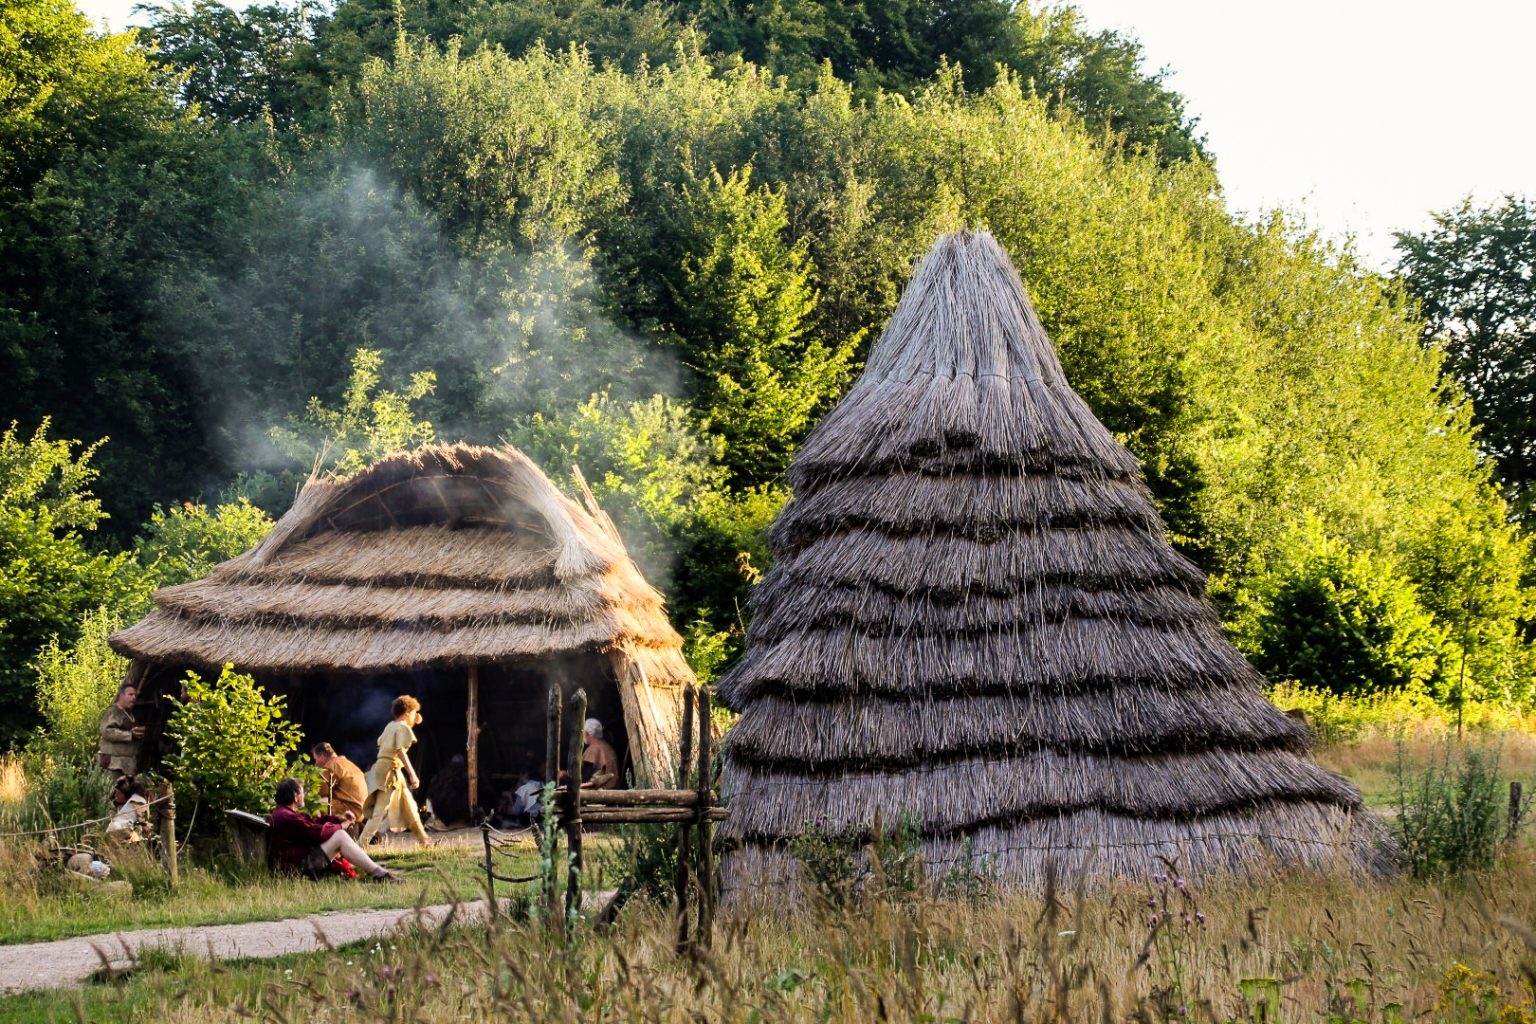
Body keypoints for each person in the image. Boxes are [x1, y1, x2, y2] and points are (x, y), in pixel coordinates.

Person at [269, 778, 401, 882]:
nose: (304, 795)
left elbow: (313, 823)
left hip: (298, 862)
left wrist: (339, 819)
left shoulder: (284, 813)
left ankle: (377, 872)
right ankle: (379, 874)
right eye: (303, 792)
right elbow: (318, 833)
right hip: (297, 868)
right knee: (339, 836)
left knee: (339, 834)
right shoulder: (287, 816)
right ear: (296, 797)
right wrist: (342, 826)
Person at [358, 695, 433, 848]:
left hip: (388, 769)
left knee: (410, 806)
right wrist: (412, 774)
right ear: (407, 713)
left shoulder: (390, 725)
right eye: (413, 713)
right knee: (380, 811)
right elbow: (400, 750)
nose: (415, 717)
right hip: (389, 772)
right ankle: (360, 845)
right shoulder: (403, 727)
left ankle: (425, 841)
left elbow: (381, 743)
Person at [312, 742, 367, 825]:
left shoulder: (331, 765)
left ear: (322, 756)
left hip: (350, 810)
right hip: (362, 812)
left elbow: (321, 792)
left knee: (313, 803)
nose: (316, 763)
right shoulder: (347, 763)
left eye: (316, 759)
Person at [98, 683, 146, 779]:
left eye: (135, 695)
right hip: (114, 764)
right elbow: (107, 732)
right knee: (112, 792)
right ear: (121, 695)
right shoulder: (113, 711)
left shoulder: (129, 714)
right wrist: (129, 735)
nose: (134, 698)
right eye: (130, 694)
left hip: (126, 764)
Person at [105, 776, 151, 842]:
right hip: (122, 829)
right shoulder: (138, 799)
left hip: (114, 828)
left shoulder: (133, 800)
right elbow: (142, 820)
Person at [581, 718, 620, 789]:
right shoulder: (607, 746)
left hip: (601, 791)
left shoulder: (594, 748)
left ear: (586, 733)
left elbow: (584, 776)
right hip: (613, 789)